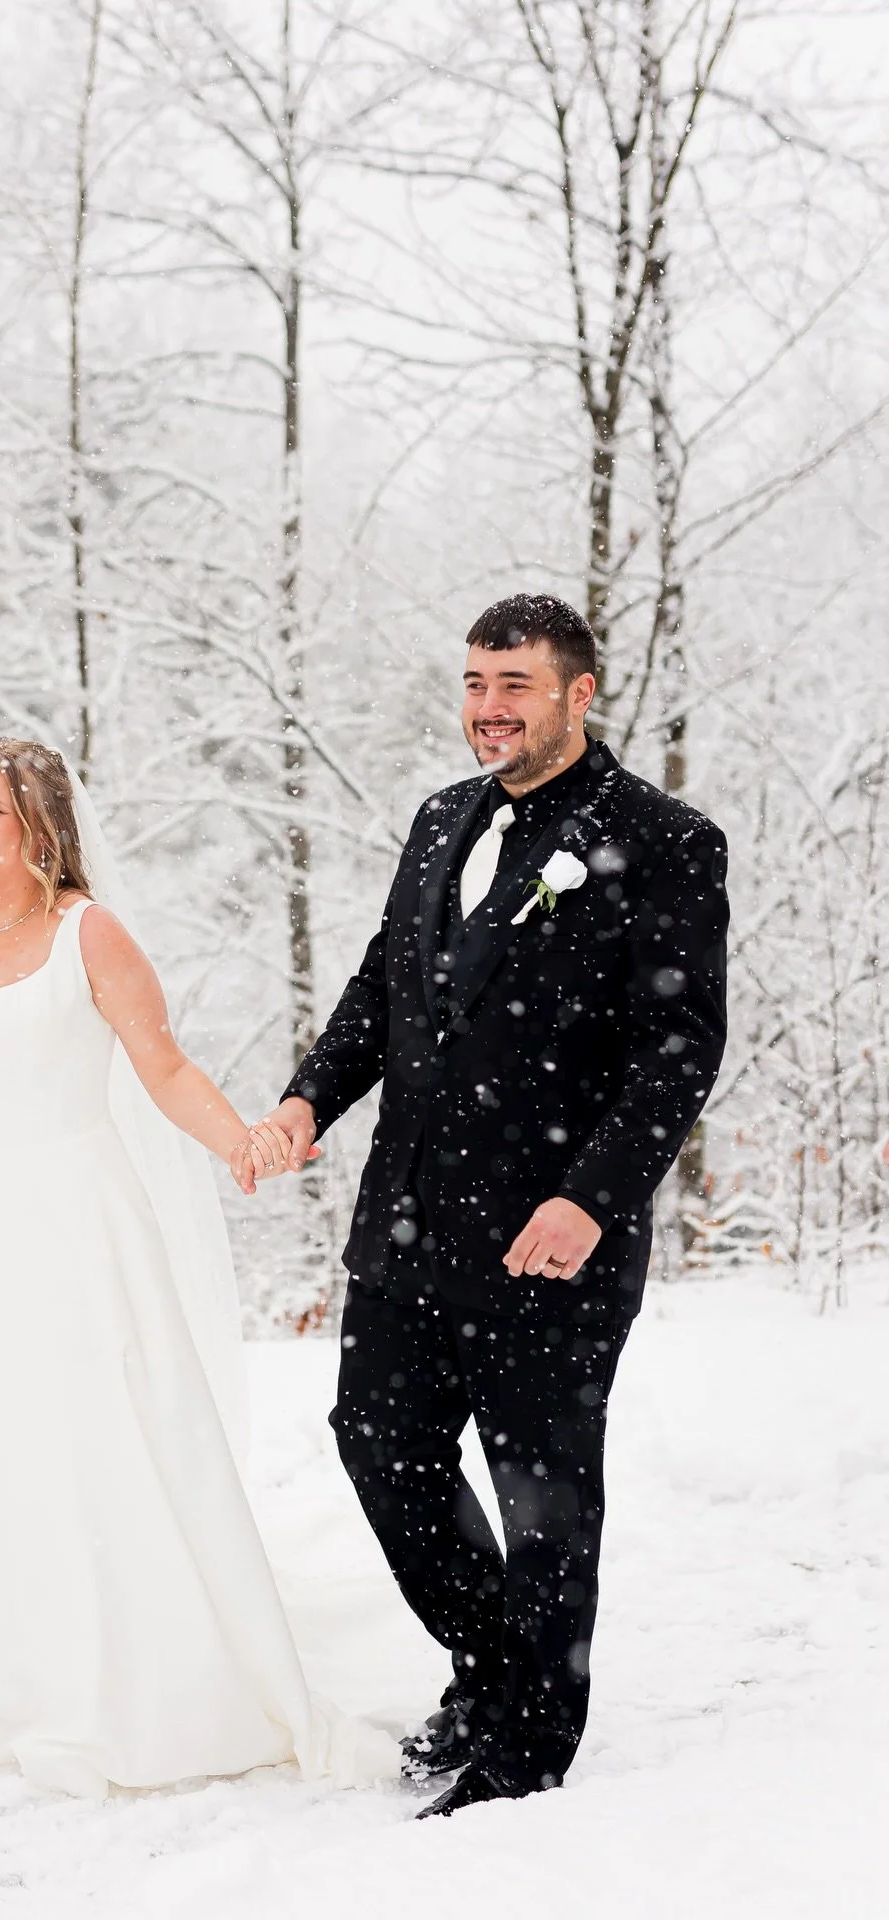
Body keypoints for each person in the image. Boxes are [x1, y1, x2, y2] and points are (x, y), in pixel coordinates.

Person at [0, 737, 397, 1797]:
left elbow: (159, 1062)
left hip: (77, 1214)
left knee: (87, 1432)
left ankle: (118, 1672)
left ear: (41, 825)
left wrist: (241, 1141)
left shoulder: (91, 934)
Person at [247, 595, 730, 1817]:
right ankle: (489, 1666)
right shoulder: (440, 820)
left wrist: (590, 1199)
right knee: (380, 1450)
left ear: (578, 693)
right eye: (473, 683)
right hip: (407, 1220)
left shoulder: (665, 839)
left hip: (548, 1237)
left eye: (513, 684)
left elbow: (678, 1047)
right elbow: (383, 980)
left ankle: (529, 1749)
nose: (487, 709)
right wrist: (311, 1100)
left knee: (543, 1496)